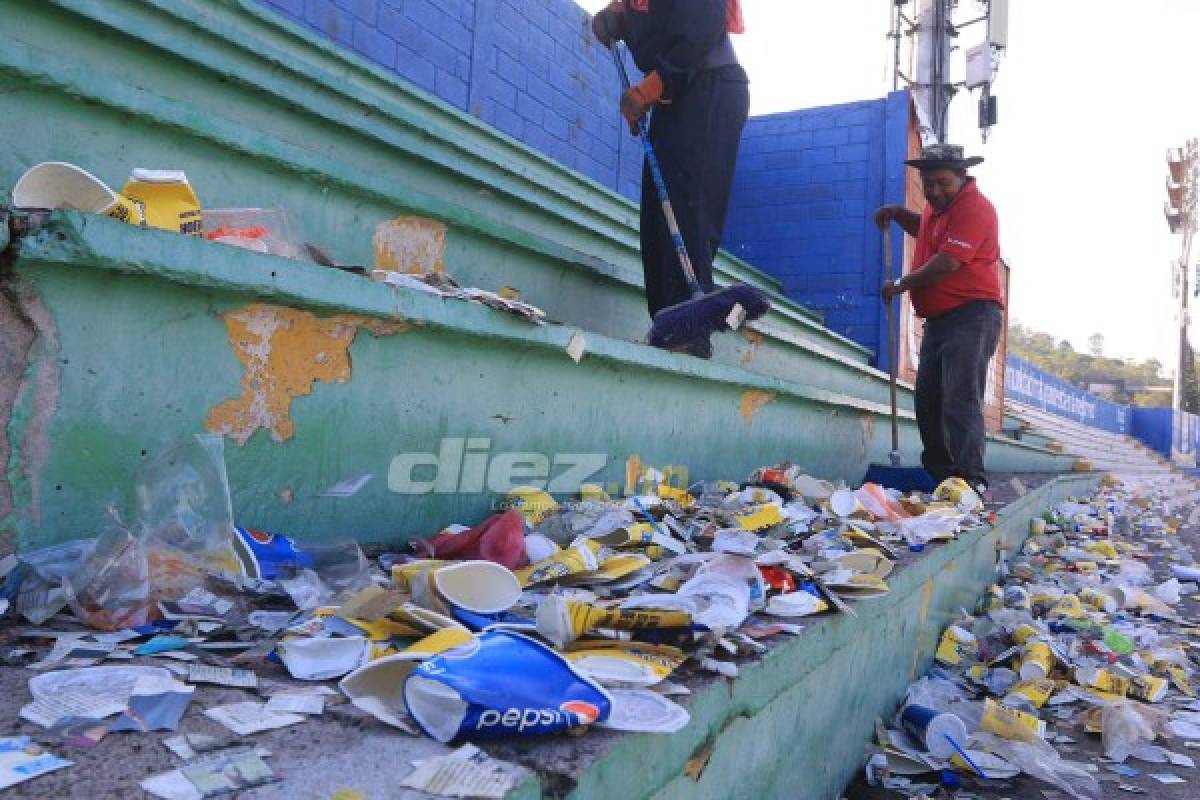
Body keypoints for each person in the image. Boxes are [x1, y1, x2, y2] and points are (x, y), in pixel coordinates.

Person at [591, 0, 748, 359]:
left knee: (686, 206)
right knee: (657, 217)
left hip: (711, 88)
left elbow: (701, 28)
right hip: (676, 100)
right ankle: (668, 324)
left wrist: (648, 91)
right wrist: (619, 22)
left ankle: (690, 330)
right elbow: (651, 47)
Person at [874, 144, 1004, 492]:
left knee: (960, 399)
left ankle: (970, 481)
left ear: (962, 177)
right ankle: (940, 477)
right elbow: (926, 228)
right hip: (938, 321)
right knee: (928, 401)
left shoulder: (976, 209)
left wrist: (900, 285)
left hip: (973, 315)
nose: (934, 190)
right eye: (927, 182)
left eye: (943, 182)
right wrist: (901, 215)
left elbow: (947, 262)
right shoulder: (936, 209)